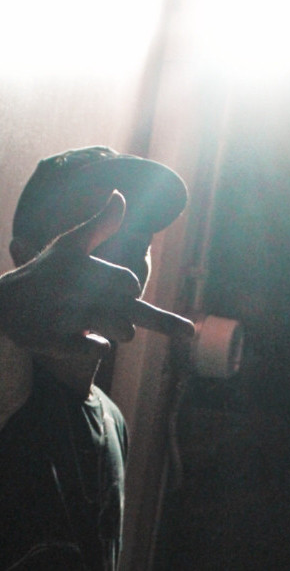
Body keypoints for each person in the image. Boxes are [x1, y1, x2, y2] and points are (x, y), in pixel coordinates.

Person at [0, 146, 194, 570]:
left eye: (141, 234)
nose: (130, 248)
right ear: (26, 258)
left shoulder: (112, 421)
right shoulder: (8, 391)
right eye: (100, 224)